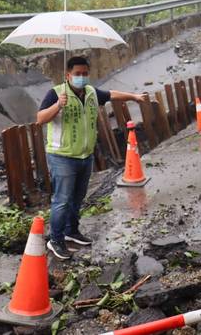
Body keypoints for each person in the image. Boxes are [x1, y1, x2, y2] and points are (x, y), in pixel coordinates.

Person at [37, 55, 144, 260]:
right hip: (62, 156)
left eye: (85, 74)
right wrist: (58, 105)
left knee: (77, 197)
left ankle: (71, 231)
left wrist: (134, 97)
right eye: (77, 74)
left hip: (85, 155)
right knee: (62, 200)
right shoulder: (56, 94)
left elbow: (112, 94)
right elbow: (39, 119)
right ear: (68, 75)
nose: (82, 77)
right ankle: (56, 239)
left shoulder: (92, 92)